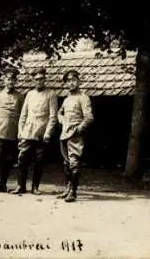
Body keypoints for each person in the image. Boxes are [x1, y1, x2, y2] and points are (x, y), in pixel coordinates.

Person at [11, 68, 58, 195]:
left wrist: (48, 132)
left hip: (41, 134)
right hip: (27, 132)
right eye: (36, 79)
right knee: (22, 159)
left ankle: (35, 187)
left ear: (44, 79)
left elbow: (53, 116)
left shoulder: (51, 94)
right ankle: (20, 186)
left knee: (39, 160)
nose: (39, 81)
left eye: (41, 79)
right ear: (33, 80)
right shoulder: (30, 94)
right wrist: (20, 131)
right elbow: (23, 115)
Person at [57, 70, 93, 202]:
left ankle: (73, 192)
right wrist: (60, 118)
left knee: (74, 163)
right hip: (64, 134)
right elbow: (59, 112)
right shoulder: (66, 99)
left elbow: (89, 118)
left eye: (73, 80)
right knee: (66, 162)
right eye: (68, 81)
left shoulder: (83, 98)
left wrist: (79, 129)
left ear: (79, 81)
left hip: (76, 135)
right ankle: (68, 188)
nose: (70, 83)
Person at [0, 68, 23, 192]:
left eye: (13, 79)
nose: (11, 81)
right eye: (8, 79)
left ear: (15, 81)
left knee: (8, 161)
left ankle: (3, 184)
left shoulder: (19, 96)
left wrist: (21, 133)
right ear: (4, 80)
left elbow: (23, 115)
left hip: (13, 134)